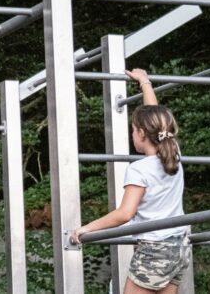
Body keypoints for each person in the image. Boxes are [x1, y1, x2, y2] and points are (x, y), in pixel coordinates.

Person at [71, 68, 190, 294]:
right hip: (180, 247)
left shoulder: (139, 169)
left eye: (133, 130)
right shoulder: (174, 155)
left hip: (155, 250)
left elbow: (125, 213)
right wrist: (145, 83)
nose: (132, 135)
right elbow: (158, 121)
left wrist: (86, 229)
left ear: (142, 134)